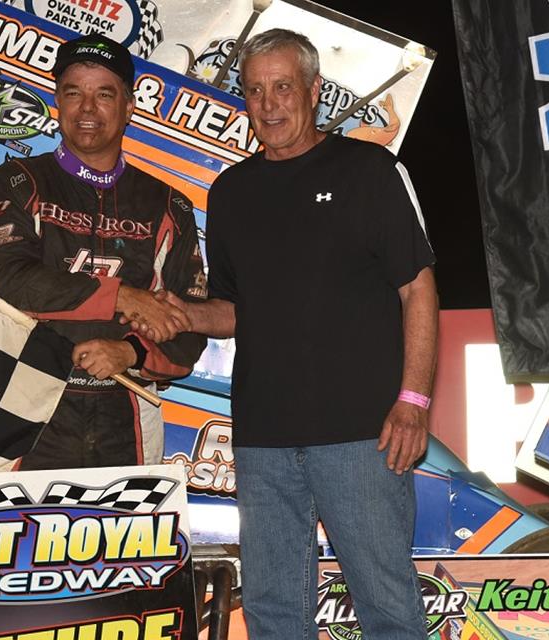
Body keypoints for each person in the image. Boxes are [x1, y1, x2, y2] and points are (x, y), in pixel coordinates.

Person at [134, 28, 438, 639]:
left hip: (362, 439)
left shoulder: (371, 170)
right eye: (255, 91)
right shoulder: (230, 192)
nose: (269, 104)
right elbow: (236, 309)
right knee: (273, 614)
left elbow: (419, 288)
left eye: (283, 87)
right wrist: (187, 313)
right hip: (262, 441)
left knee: (387, 608)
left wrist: (413, 401)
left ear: (314, 91)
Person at [0, 33, 207, 470]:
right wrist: (122, 296)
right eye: (73, 92)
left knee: (129, 540)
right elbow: (15, 281)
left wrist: (131, 352)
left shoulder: (168, 206)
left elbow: (190, 324)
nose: (87, 109)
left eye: (104, 94)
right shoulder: (15, 183)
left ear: (129, 106)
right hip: (23, 400)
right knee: (14, 537)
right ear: (57, 101)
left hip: (128, 409)